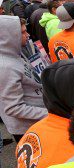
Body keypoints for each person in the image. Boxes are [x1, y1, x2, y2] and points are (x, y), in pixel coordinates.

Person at [0, 16, 47, 144]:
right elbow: (13, 108)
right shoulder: (5, 67)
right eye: (22, 32)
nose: (28, 35)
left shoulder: (16, 52)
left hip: (39, 120)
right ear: (6, 36)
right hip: (27, 128)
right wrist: (49, 114)